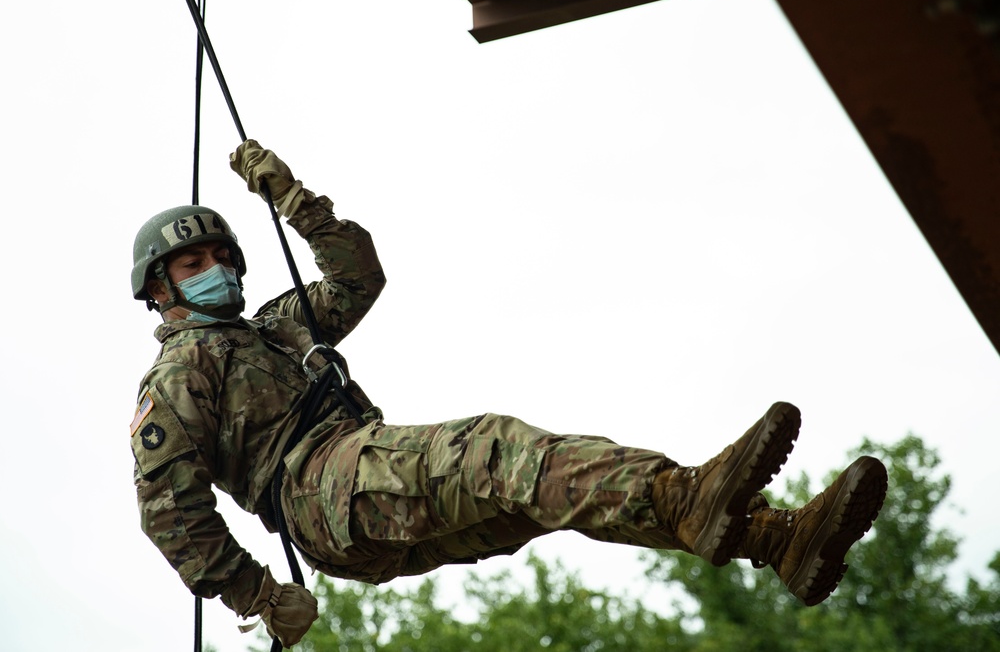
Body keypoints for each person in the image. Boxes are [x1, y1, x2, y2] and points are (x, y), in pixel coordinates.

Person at [130, 141, 888, 647]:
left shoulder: (275, 325)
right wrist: (256, 595)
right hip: (318, 489)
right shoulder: (177, 374)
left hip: (356, 510)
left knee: (542, 497)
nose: (213, 267)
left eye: (219, 254)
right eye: (192, 260)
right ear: (161, 287)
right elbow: (169, 508)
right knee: (495, 451)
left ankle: (774, 538)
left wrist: (297, 200)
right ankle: (692, 494)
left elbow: (359, 279)